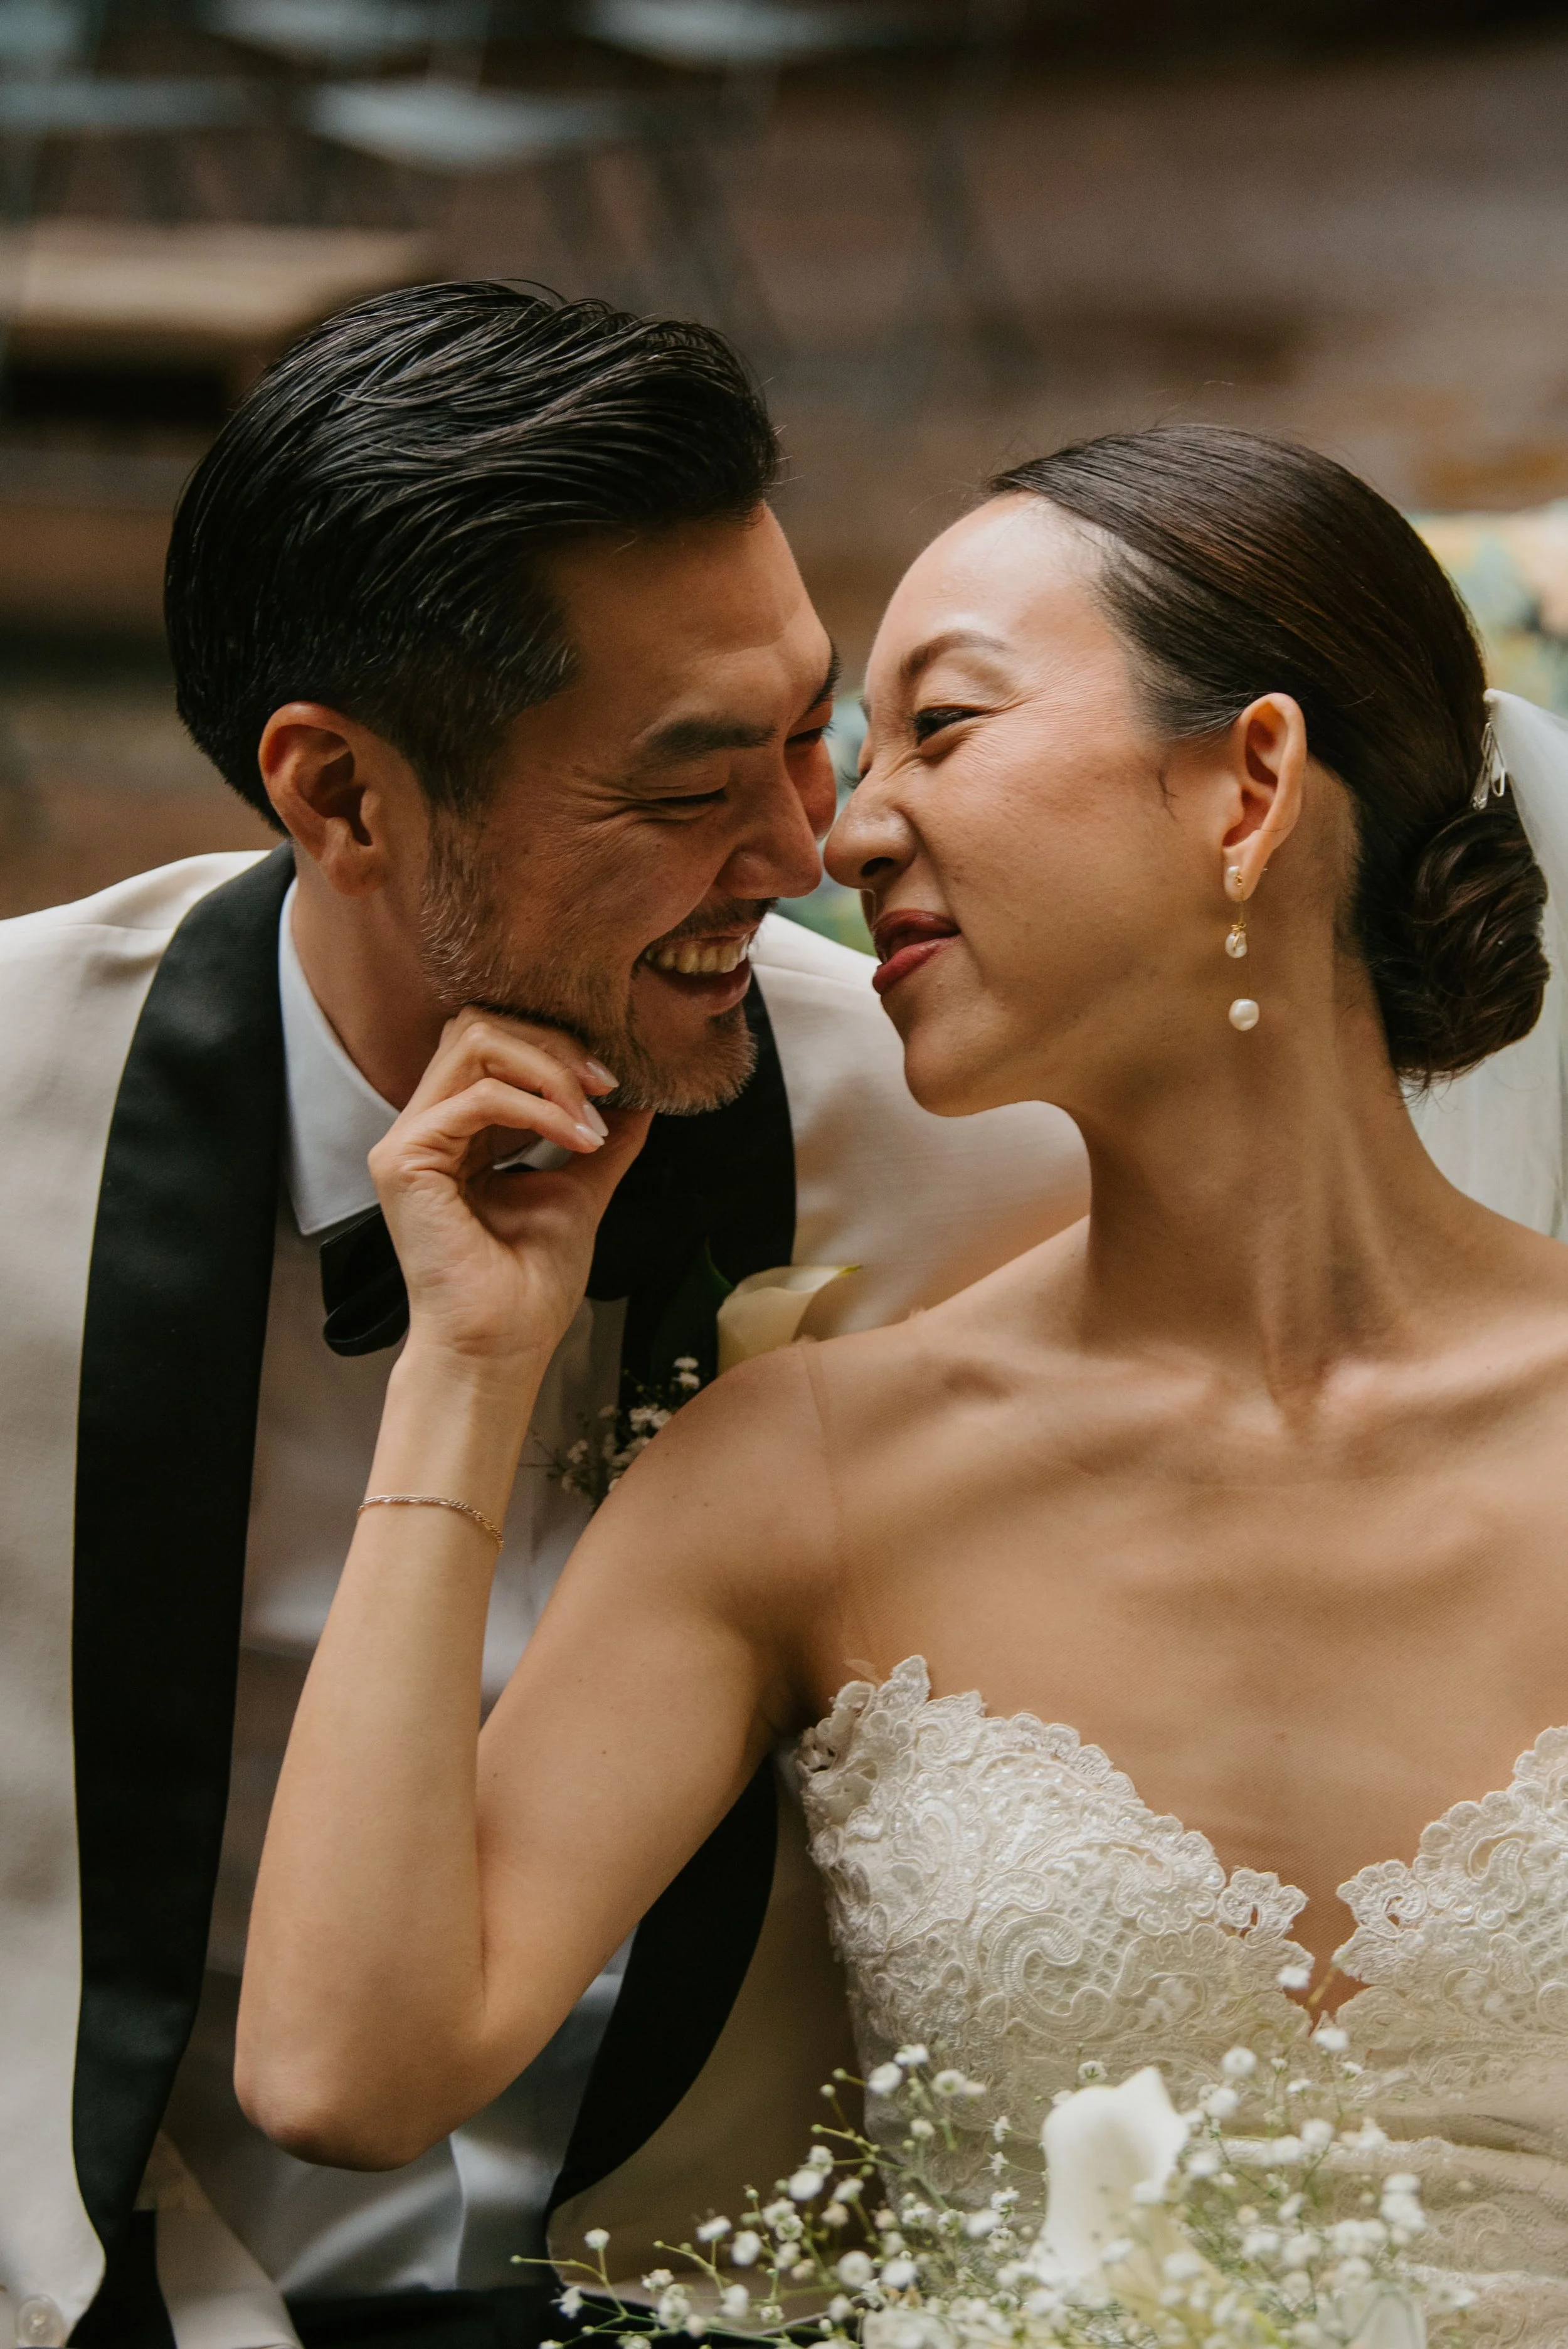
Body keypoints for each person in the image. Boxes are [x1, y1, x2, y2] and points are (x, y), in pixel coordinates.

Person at [245, 424, 1568, 2348]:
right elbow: (340, 2069)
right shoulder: (807, 1468)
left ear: (1249, 783)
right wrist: (469, 1358)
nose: (838, 839)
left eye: (939, 726)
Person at [0, 284, 1087, 2349]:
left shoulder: (978, 1175)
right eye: (686, 791)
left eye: (807, 731)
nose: (809, 850)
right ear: (337, 797)